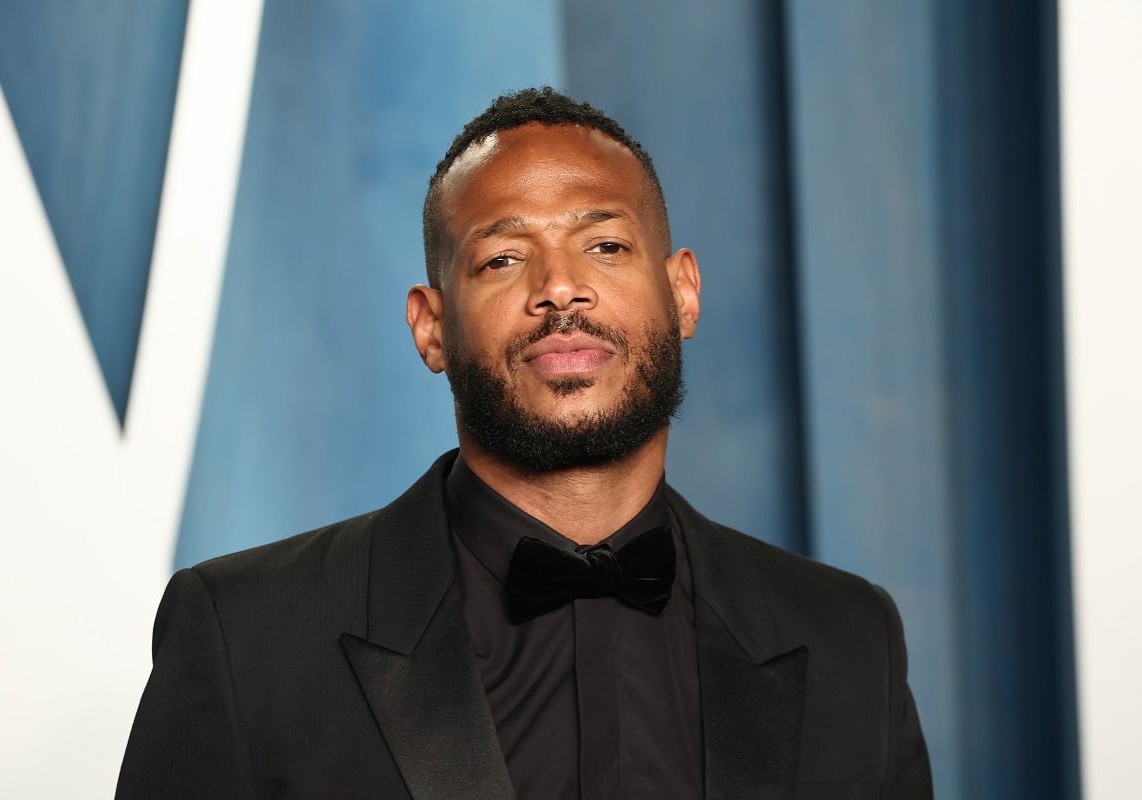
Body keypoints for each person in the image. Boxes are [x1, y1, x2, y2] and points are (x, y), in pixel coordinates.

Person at [117, 87, 932, 799]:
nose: (559, 289)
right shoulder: (245, 638)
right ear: (431, 327)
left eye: (604, 246)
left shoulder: (850, 638)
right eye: (503, 258)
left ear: (682, 290)